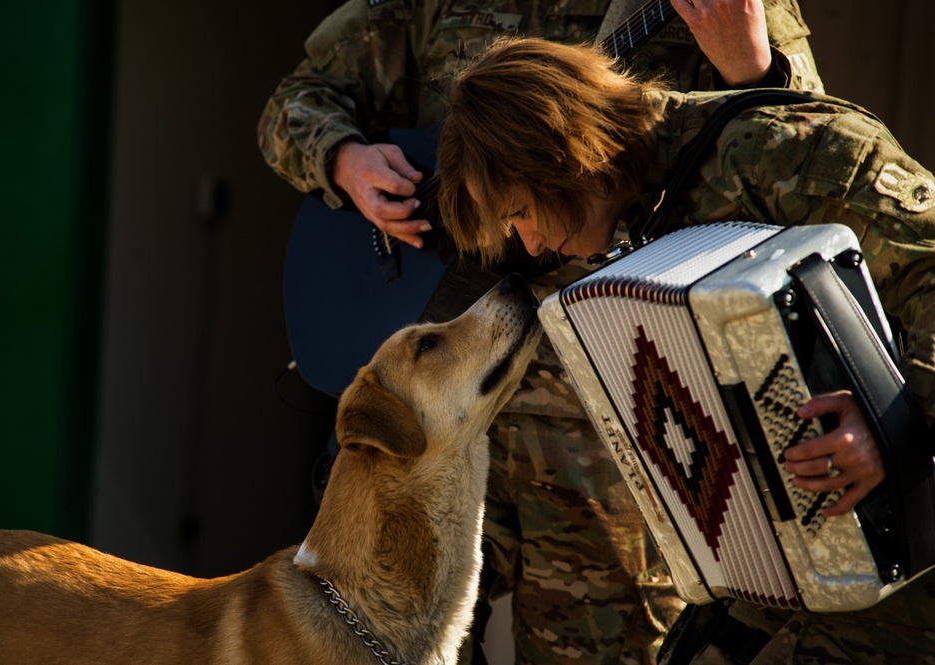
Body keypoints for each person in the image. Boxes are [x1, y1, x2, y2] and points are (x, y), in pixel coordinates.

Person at [259, 2, 824, 663]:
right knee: (369, 643)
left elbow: (802, 149)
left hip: (610, 407)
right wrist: (345, 160)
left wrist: (754, 67)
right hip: (448, 396)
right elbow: (292, 104)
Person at [437, 35, 935, 664]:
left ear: (561, 160)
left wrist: (894, 424)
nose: (530, 246)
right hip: (799, 583)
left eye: (521, 213)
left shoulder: (792, 152)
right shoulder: (630, 218)